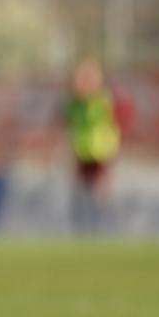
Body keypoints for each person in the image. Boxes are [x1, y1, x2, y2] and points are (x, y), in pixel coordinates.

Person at [64, 59, 120, 233]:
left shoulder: (102, 99)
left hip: (101, 150)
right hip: (82, 150)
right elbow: (68, 121)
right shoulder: (74, 103)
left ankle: (104, 226)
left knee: (100, 191)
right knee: (81, 191)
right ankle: (83, 227)